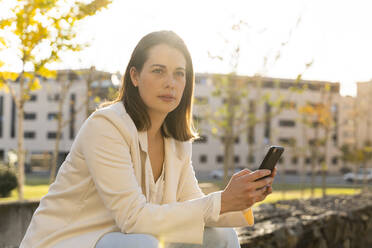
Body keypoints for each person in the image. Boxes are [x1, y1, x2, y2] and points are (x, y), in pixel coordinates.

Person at [20, 30, 277, 248]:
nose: (171, 83)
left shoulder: (176, 141)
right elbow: (132, 217)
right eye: (158, 71)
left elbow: (194, 207)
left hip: (119, 240)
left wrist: (241, 198)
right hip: (67, 241)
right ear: (134, 76)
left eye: (179, 73)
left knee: (222, 236)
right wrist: (220, 201)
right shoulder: (106, 126)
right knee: (143, 243)